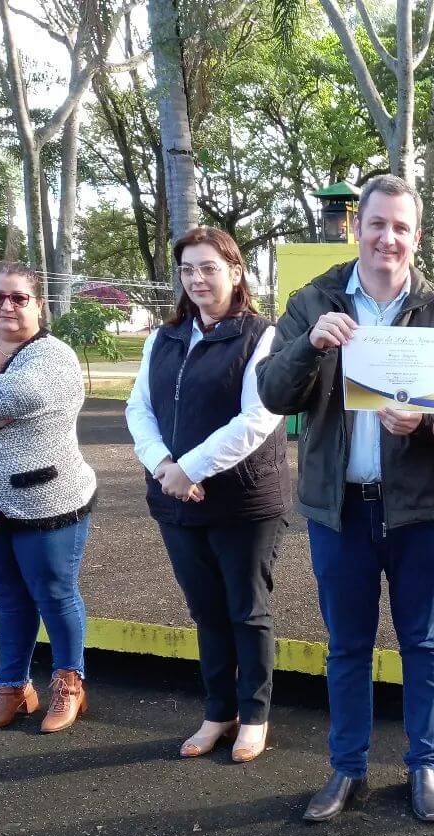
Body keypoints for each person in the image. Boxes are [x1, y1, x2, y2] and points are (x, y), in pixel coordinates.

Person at [258, 175, 434, 823]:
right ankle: (347, 769)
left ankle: (425, 767)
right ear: (357, 226)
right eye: (378, 224)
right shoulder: (316, 300)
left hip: (420, 507)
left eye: (402, 228)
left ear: (416, 237)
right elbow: (275, 394)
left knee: (424, 642)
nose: (389, 238)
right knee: (347, 647)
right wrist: (312, 344)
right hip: (339, 508)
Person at [125, 227, 288, 763]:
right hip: (176, 501)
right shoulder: (164, 337)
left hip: (243, 503)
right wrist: (166, 467)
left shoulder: (261, 336)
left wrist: (192, 465)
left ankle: (255, 715)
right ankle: (219, 712)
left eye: (209, 267)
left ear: (235, 271)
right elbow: (138, 410)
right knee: (207, 612)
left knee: (247, 610)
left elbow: (259, 417)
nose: (197, 279)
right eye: (188, 269)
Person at [0, 262, 97, 733]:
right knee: (7, 598)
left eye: (19, 297)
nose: (7, 306)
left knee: (55, 594)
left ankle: (70, 683)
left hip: (46, 501)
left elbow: (21, 395)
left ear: (37, 303)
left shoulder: (54, 357)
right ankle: (13, 688)